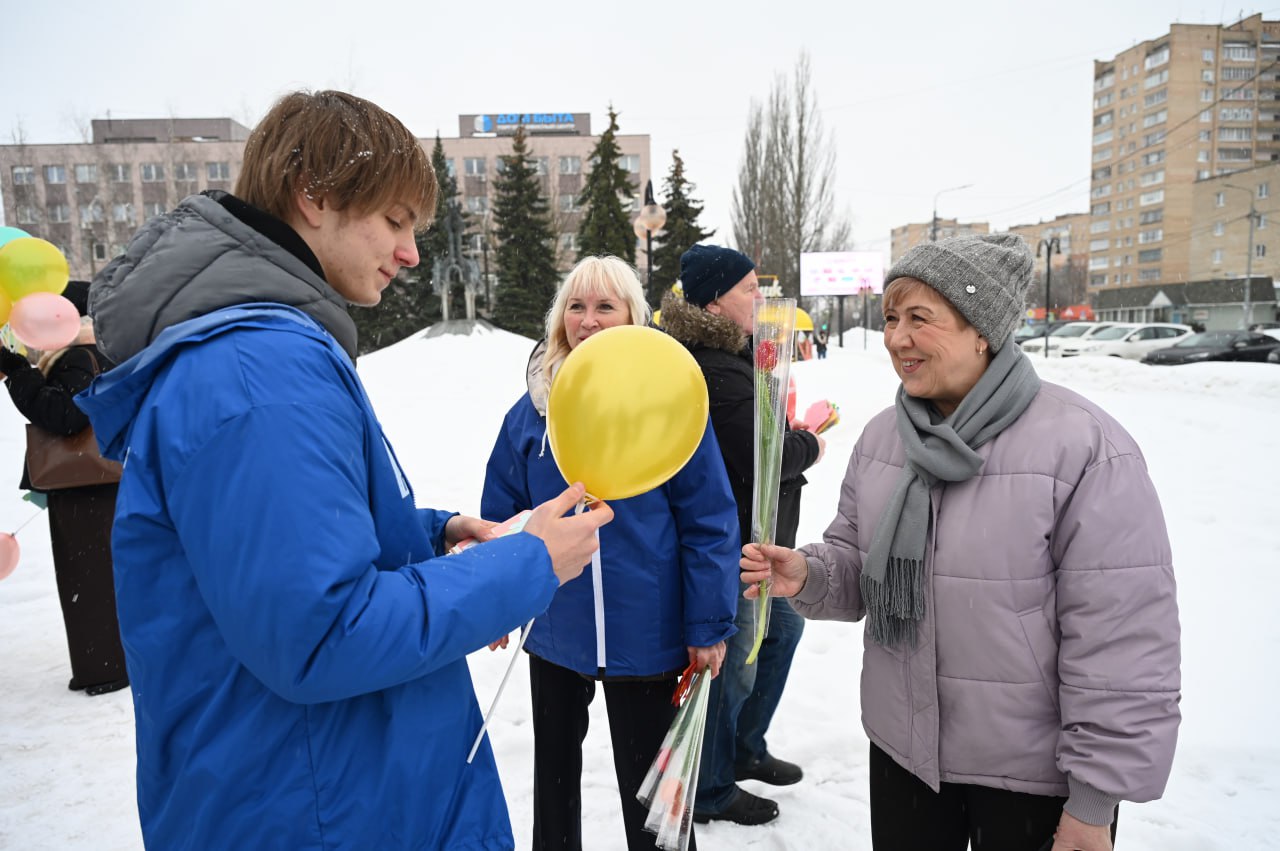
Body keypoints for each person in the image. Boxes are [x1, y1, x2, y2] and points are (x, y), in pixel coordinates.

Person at [75, 90, 613, 850]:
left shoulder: (262, 352)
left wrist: (435, 533)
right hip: (322, 807)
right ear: (315, 196)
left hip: (321, 787)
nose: (412, 253)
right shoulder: (258, 371)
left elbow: (294, 552)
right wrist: (528, 565)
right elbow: (321, 632)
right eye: (394, 221)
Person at [741, 233, 1181, 851]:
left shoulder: (1083, 448)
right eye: (891, 318)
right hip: (905, 759)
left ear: (983, 330)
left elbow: (1124, 640)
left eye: (920, 318)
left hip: (1031, 780)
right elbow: (857, 562)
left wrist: (1095, 801)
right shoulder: (881, 440)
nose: (897, 338)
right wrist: (809, 574)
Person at [481, 255, 740, 851]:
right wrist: (495, 598)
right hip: (555, 629)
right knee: (553, 785)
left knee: (652, 801)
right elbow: (502, 515)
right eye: (576, 305)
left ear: (632, 316)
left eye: (605, 306)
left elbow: (709, 521)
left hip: (646, 633)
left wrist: (707, 624)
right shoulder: (532, 413)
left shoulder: (668, 407)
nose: (588, 320)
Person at [660, 245, 824, 826]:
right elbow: (760, 452)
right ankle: (709, 787)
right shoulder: (712, 365)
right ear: (712, 302)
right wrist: (813, 442)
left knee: (784, 629)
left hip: (759, 543)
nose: (762, 298)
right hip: (731, 548)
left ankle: (745, 744)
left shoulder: (738, 356)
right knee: (735, 665)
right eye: (751, 290)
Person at [1, 280, 128, 696]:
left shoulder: (79, 354)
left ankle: (105, 669)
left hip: (86, 486)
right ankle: (109, 664)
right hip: (101, 483)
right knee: (100, 577)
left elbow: (66, 416)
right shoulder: (102, 351)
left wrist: (19, 373)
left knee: (88, 580)